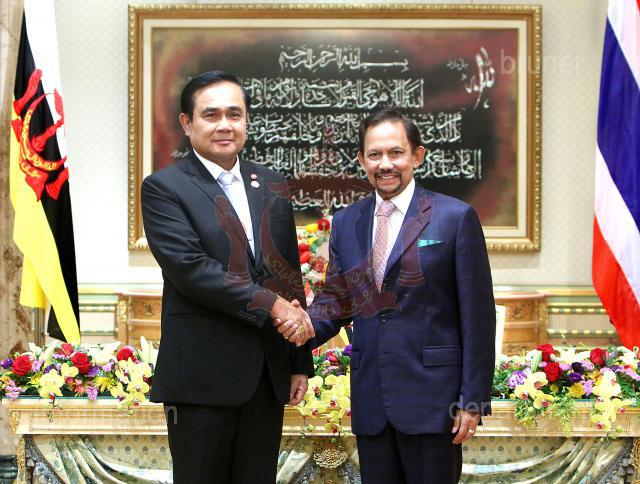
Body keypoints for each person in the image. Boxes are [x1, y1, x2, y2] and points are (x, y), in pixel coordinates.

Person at [277, 108, 495, 483]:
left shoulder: (455, 218)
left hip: (434, 402)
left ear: (417, 155)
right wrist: (300, 325)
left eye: (396, 153)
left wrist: (473, 399)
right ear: (362, 160)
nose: (385, 164)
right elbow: (338, 301)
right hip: (372, 401)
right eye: (375, 154)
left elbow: (477, 317)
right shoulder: (347, 222)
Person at [141, 70, 314, 483]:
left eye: (235, 115)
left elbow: (288, 274)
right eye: (211, 115)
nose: (224, 125)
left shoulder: (271, 184)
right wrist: (271, 304)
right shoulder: (165, 188)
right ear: (187, 123)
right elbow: (191, 269)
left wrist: (298, 362)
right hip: (201, 379)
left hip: (265, 377)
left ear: (246, 121)